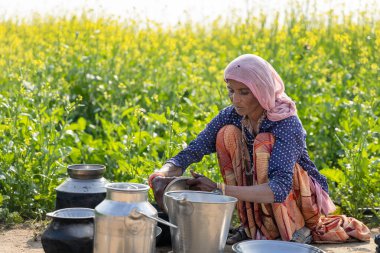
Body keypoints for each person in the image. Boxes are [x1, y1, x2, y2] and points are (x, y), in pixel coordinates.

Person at [149, 54, 370, 244]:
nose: (235, 99)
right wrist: (164, 172)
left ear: (261, 89)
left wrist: (219, 189)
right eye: (231, 91)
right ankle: (254, 227)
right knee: (226, 134)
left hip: (298, 200)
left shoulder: (285, 122)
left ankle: (295, 229)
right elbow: (196, 148)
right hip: (263, 194)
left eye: (244, 92)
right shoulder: (234, 115)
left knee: (264, 144)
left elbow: (279, 189)